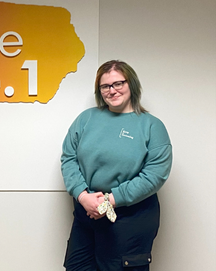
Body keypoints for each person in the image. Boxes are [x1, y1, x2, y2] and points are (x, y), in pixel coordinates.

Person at [60, 60, 172, 271]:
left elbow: (155, 175)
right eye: (105, 86)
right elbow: (69, 158)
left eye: (119, 83)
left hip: (130, 218)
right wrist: (83, 197)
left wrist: (108, 201)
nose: (112, 90)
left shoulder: (151, 126)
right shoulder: (86, 119)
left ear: (132, 84)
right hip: (87, 212)